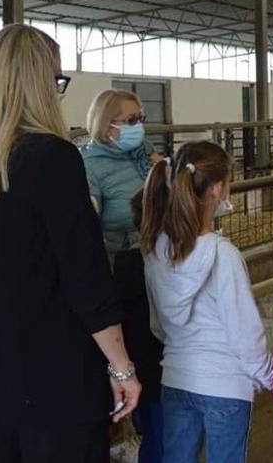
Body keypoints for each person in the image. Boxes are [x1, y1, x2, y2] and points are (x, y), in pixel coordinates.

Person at [0, 24, 141, 463]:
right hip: (56, 373)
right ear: (37, 83)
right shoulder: (51, 157)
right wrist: (121, 367)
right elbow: (84, 275)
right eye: (56, 80)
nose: (58, 90)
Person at [141, 141, 273, 463]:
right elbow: (245, 333)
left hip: (176, 378)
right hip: (226, 384)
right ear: (217, 188)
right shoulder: (223, 255)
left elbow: (158, 324)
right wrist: (271, 377)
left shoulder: (156, 248)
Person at [83, 89, 164, 260]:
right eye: (131, 120)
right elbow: (88, 221)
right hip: (120, 256)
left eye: (140, 118)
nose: (139, 126)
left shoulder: (145, 150)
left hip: (156, 245)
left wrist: (163, 173)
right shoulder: (90, 165)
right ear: (106, 125)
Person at [114, 189, 164, 463]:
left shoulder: (124, 264)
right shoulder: (166, 265)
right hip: (161, 373)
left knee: (154, 437)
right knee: (163, 442)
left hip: (138, 371)